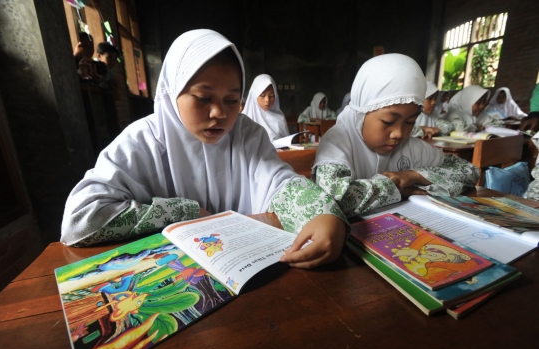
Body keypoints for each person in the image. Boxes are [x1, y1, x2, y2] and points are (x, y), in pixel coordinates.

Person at [60, 29, 348, 269]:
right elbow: (79, 221)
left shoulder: (247, 134)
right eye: (203, 97)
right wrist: (184, 213)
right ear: (174, 91)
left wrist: (324, 214)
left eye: (232, 100)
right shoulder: (142, 141)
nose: (219, 113)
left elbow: (279, 183)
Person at [312, 54, 479, 217]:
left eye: (410, 122)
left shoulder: (410, 146)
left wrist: (412, 176)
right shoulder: (338, 142)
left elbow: (469, 171)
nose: (399, 134)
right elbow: (335, 198)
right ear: (361, 113)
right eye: (388, 121)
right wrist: (399, 188)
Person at [242, 74, 289, 142]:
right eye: (262, 95)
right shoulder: (244, 120)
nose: (267, 100)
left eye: (272, 95)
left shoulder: (279, 118)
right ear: (254, 95)